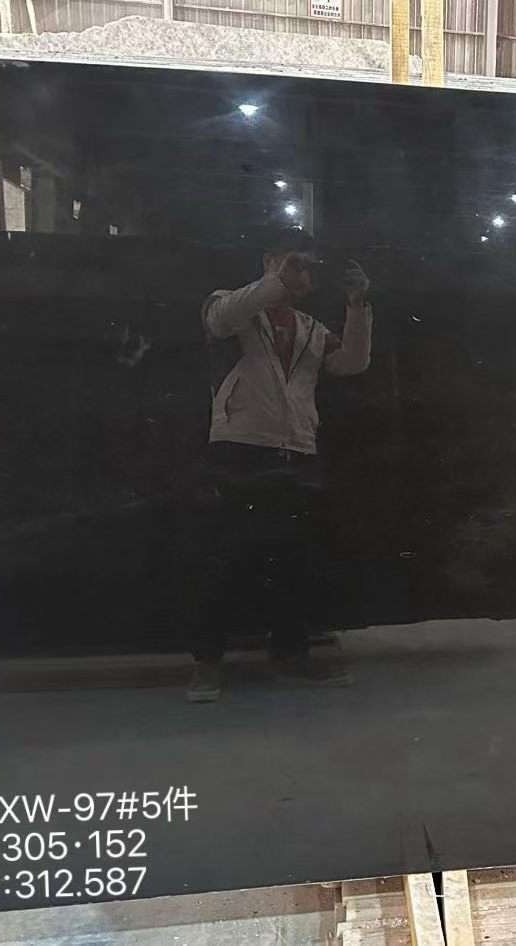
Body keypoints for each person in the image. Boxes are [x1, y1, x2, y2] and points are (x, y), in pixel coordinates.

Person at [188, 231, 373, 702]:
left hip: (296, 450)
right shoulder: (229, 305)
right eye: (295, 264)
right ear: (270, 262)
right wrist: (275, 279)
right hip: (240, 449)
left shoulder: (310, 327)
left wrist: (357, 305)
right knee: (225, 562)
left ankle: (290, 655)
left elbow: (352, 363)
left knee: (294, 562)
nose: (303, 276)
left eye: (308, 268)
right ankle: (207, 665)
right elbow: (221, 320)